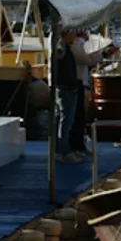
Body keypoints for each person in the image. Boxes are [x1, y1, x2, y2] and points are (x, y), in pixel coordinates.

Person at [53, 27, 94, 160]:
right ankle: (63, 151)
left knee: (65, 120)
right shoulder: (61, 48)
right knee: (66, 121)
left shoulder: (67, 47)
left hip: (69, 87)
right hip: (65, 88)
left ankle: (63, 149)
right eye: (73, 33)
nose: (75, 35)